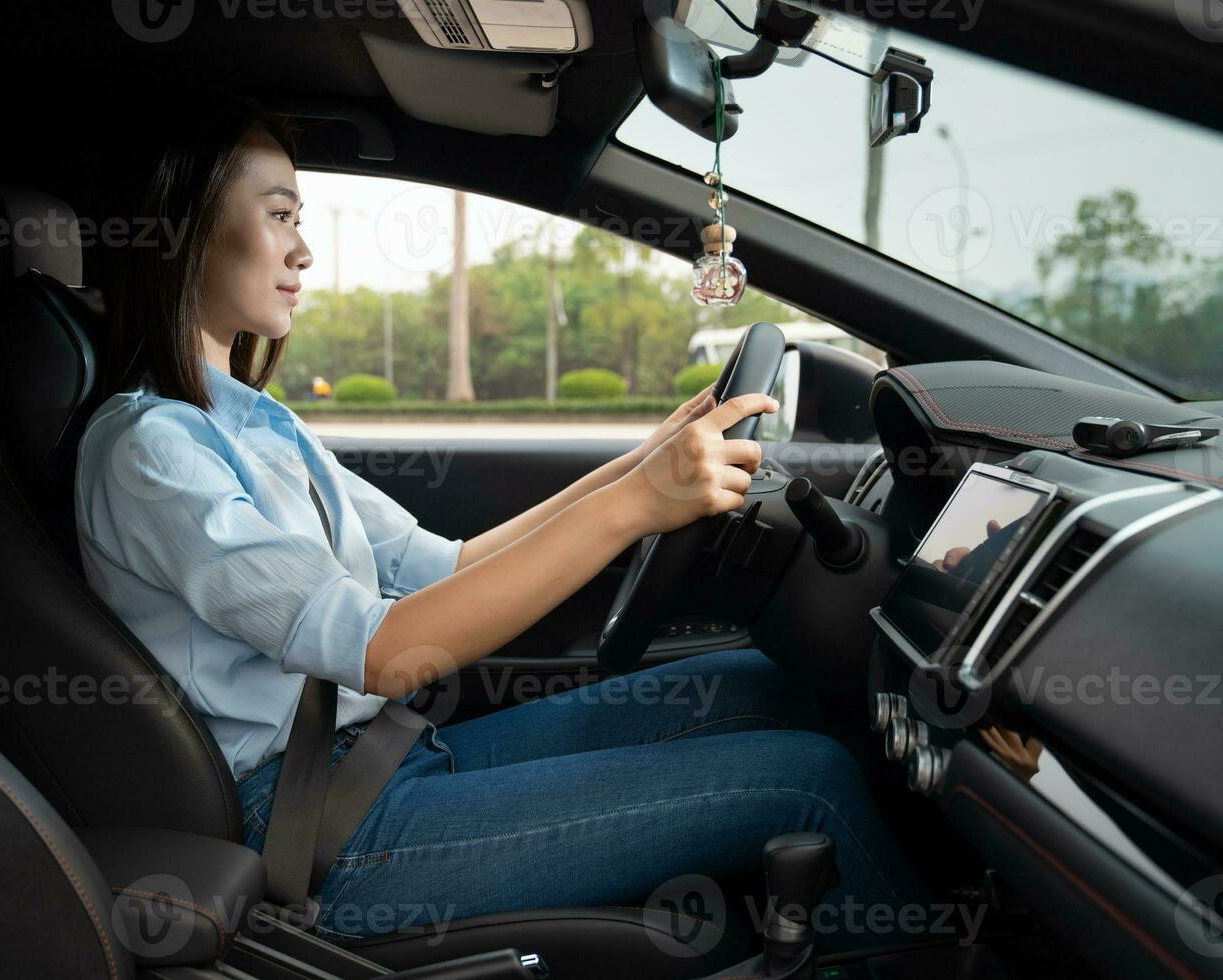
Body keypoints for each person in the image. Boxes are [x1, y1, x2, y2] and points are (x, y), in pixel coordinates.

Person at [75, 101, 927, 949]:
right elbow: (380, 650)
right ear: (182, 231)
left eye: (301, 217)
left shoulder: (255, 424)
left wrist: (641, 465)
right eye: (279, 215)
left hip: (380, 763)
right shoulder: (152, 451)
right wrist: (634, 506)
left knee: (758, 685)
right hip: (316, 827)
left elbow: (439, 567)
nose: (304, 248)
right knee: (811, 783)